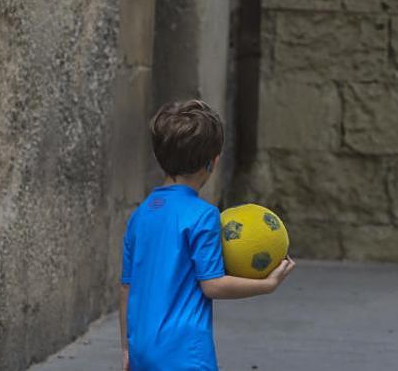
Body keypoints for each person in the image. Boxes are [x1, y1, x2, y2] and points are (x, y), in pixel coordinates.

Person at [120, 100, 296, 371]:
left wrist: (127, 348)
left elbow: (127, 288)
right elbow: (212, 285)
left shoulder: (140, 215)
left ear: (159, 157)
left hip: (142, 348)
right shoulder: (203, 215)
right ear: (212, 162)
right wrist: (267, 285)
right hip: (185, 353)